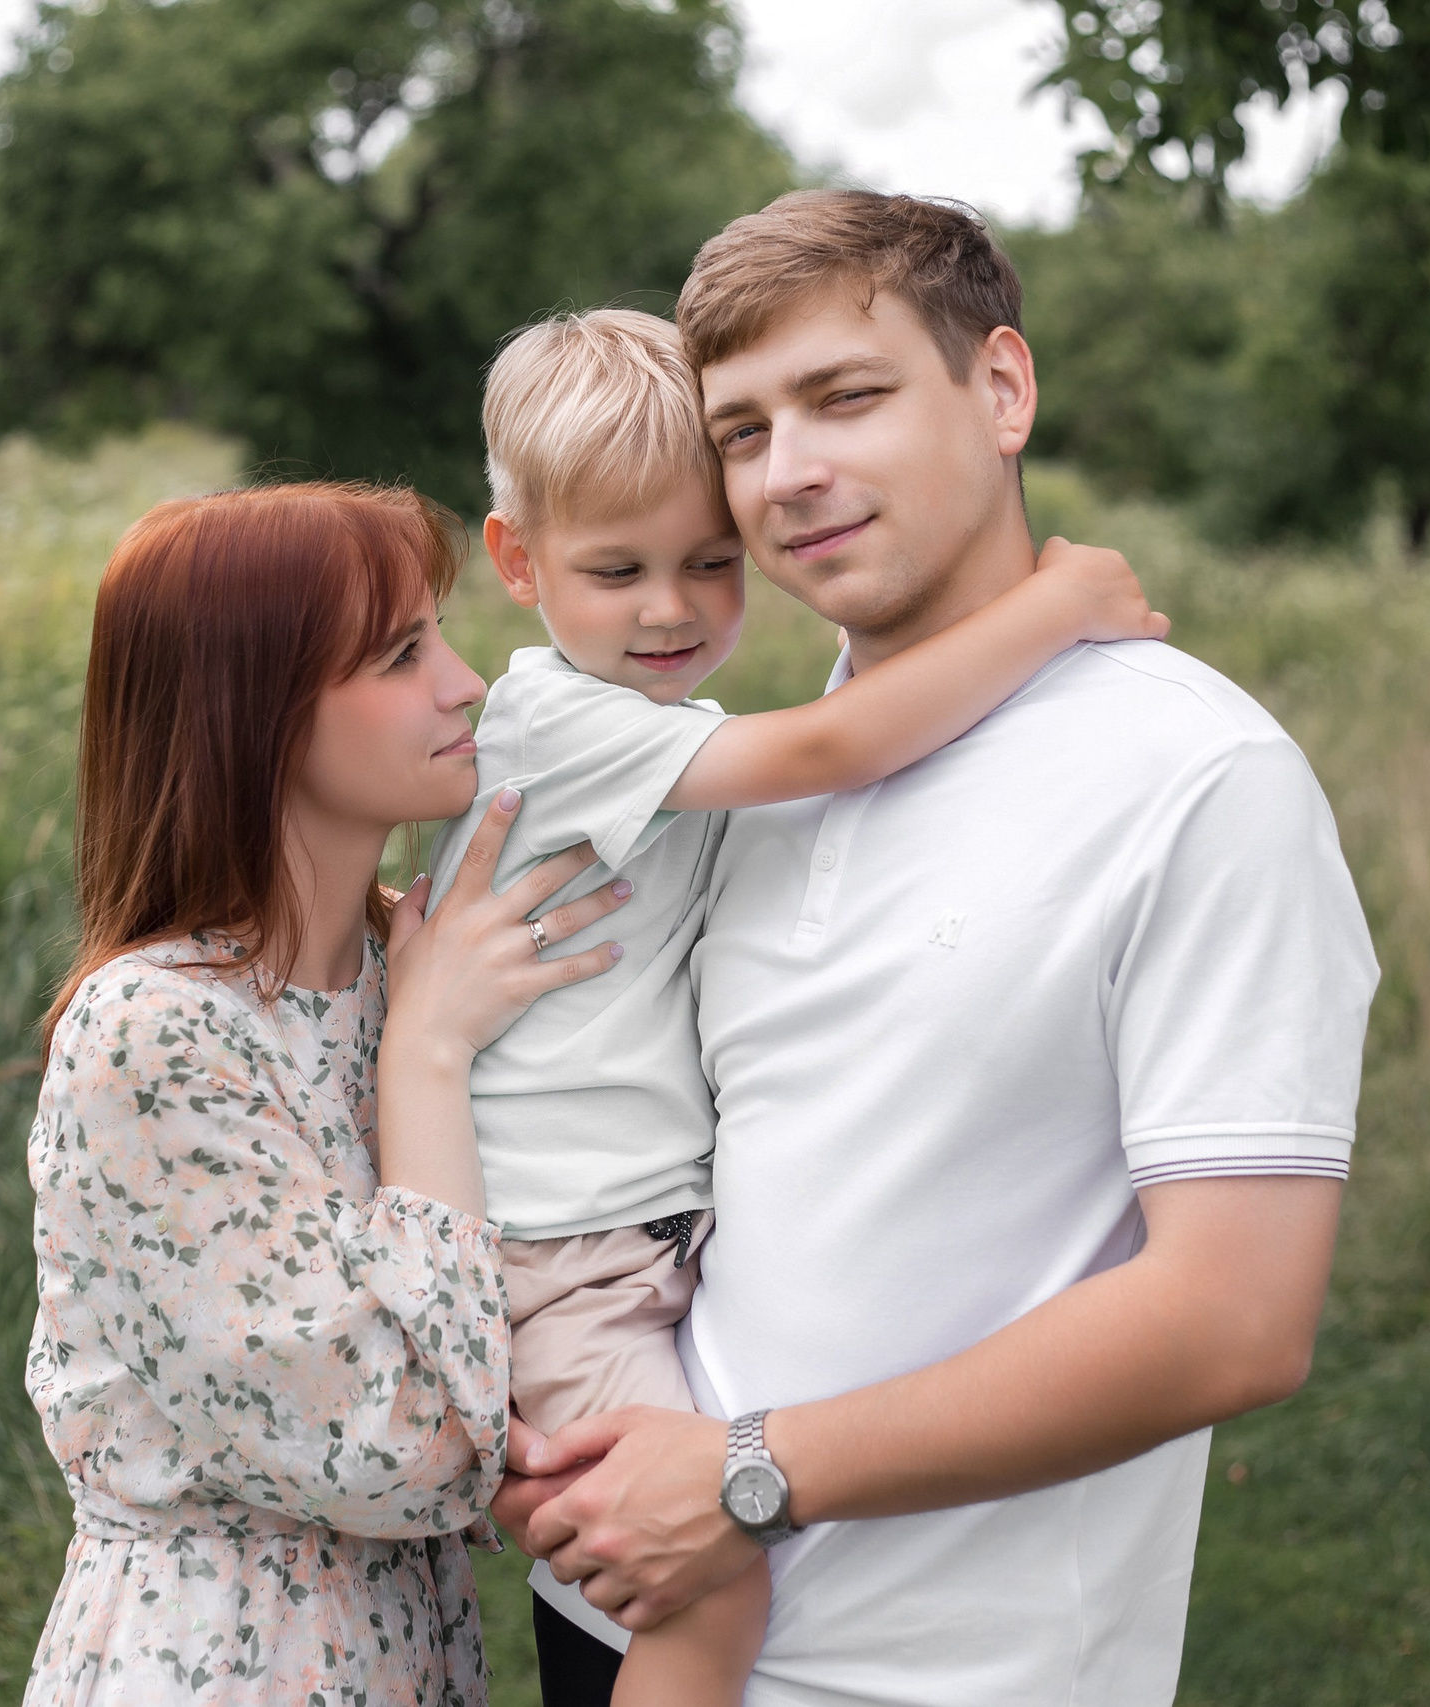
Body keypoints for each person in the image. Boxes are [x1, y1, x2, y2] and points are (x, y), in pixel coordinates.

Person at [497, 191, 1382, 1706]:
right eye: (747, 430)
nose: (796, 470)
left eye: (846, 396)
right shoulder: (729, 780)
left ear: (1002, 389)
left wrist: (747, 1474)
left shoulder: (1196, 780)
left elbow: (1234, 1320)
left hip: (946, 1676)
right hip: (613, 1609)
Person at [426, 309, 1168, 1705]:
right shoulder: (557, 726)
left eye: (713, 561)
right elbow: (838, 742)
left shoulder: (668, 738)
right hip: (561, 1246)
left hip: (633, 1233)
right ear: (517, 561)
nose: (672, 608)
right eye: (617, 569)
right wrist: (1057, 607)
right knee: (711, 1580)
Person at [19, 483, 636, 1706]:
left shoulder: (403, 967)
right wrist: (429, 1055)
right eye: (403, 654)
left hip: (413, 1656)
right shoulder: (155, 1031)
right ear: (253, 713)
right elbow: (401, 1449)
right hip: (219, 1664)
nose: (467, 685)